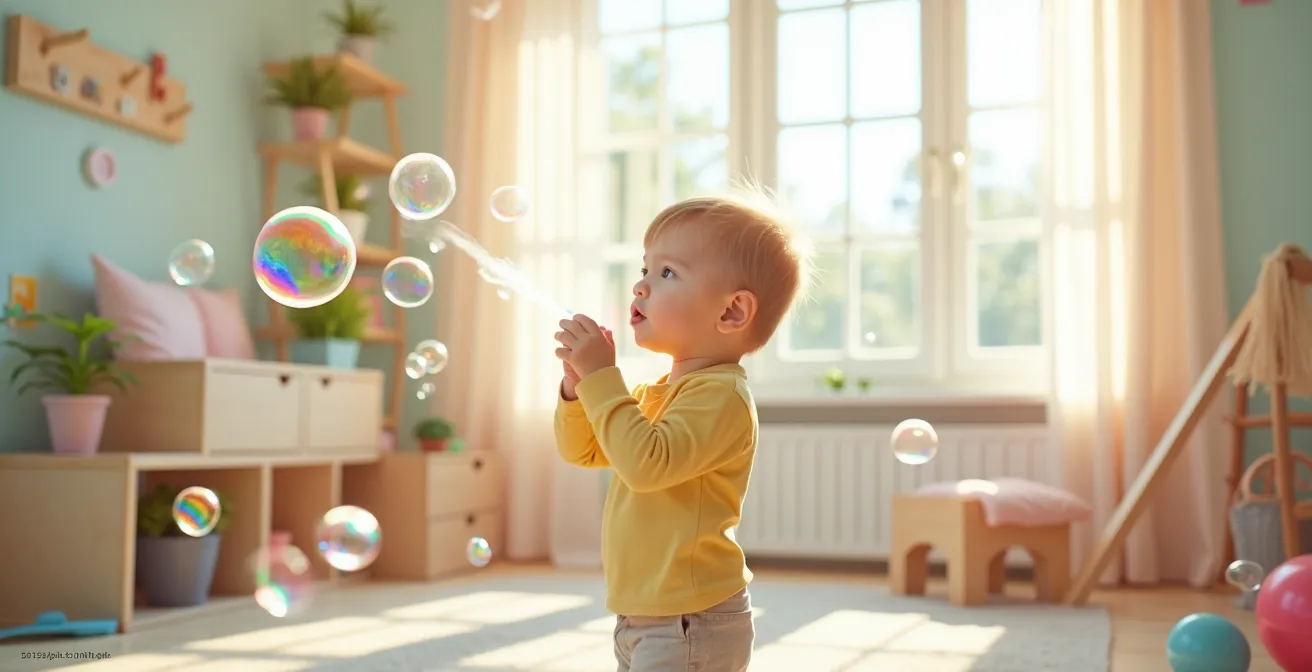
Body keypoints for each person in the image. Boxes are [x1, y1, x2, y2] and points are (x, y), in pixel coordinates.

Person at [553, 185, 812, 671]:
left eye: (667, 272)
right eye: (644, 269)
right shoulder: (657, 392)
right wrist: (577, 389)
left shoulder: (721, 396)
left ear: (731, 311)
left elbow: (647, 465)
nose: (641, 285)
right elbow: (583, 452)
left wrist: (603, 380)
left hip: (691, 619)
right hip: (644, 613)